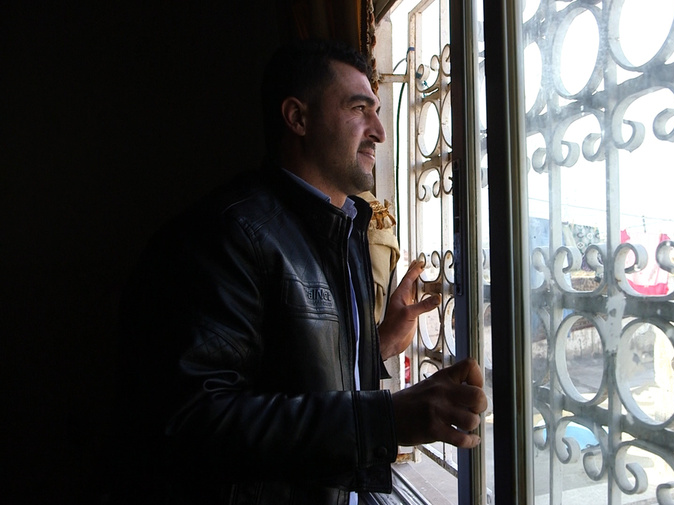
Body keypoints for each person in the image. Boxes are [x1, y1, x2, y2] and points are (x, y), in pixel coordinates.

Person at [113, 38, 487, 505]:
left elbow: (291, 367)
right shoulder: (228, 234)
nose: (379, 130)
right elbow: (194, 420)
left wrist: (378, 341)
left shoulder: (345, 224)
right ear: (298, 118)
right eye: (359, 108)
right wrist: (385, 419)